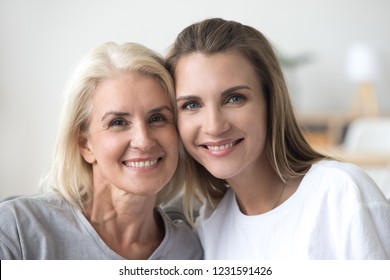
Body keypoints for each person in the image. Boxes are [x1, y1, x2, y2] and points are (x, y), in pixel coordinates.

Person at [165, 18, 390, 259]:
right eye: (191, 104)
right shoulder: (211, 222)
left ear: (270, 102)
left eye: (234, 98)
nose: (214, 126)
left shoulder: (341, 194)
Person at [0, 42, 203, 260]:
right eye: (118, 122)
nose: (143, 141)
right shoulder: (17, 230)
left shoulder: (189, 249)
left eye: (157, 118)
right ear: (85, 145)